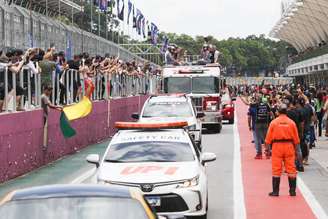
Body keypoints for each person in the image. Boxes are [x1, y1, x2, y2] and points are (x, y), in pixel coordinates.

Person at [265, 103, 300, 197]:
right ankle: (292, 191)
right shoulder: (291, 123)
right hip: (289, 146)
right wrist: (297, 152)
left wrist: (267, 150)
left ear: (278, 111)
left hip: (277, 146)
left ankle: (275, 192)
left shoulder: (274, 122)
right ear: (286, 111)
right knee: (291, 169)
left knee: (276, 169)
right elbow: (296, 140)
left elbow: (268, 139)